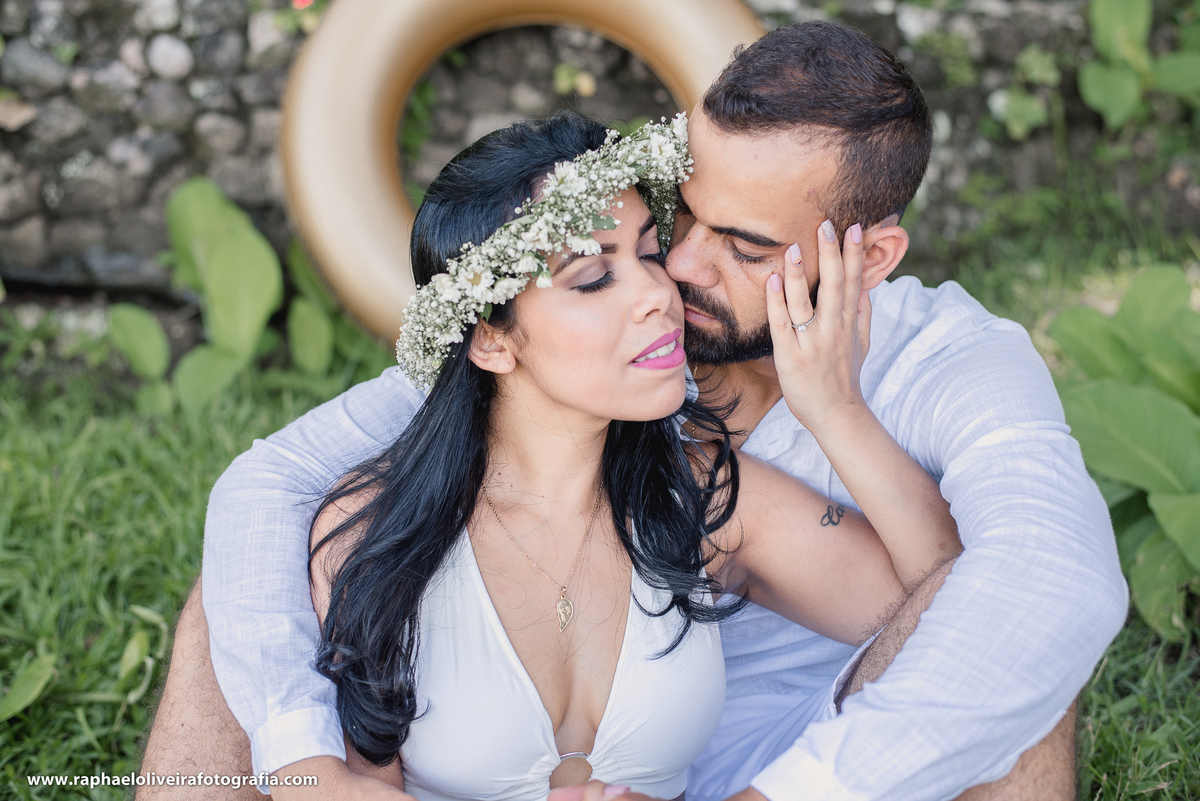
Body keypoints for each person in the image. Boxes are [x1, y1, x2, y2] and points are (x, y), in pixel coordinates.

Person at [141, 19, 1127, 801]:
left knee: (1019, 654)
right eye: (677, 219)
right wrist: (302, 759)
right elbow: (269, 480)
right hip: (544, 736)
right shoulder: (580, 344)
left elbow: (1047, 585)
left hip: (831, 754)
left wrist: (839, 417)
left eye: (740, 245)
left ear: (869, 259)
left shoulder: (950, 362)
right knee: (233, 599)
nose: (679, 274)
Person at [298, 110, 957, 800]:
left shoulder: (699, 498)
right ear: (492, 340)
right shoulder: (374, 531)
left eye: (648, 254)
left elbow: (953, 601)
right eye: (591, 278)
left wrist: (835, 411)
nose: (658, 294)